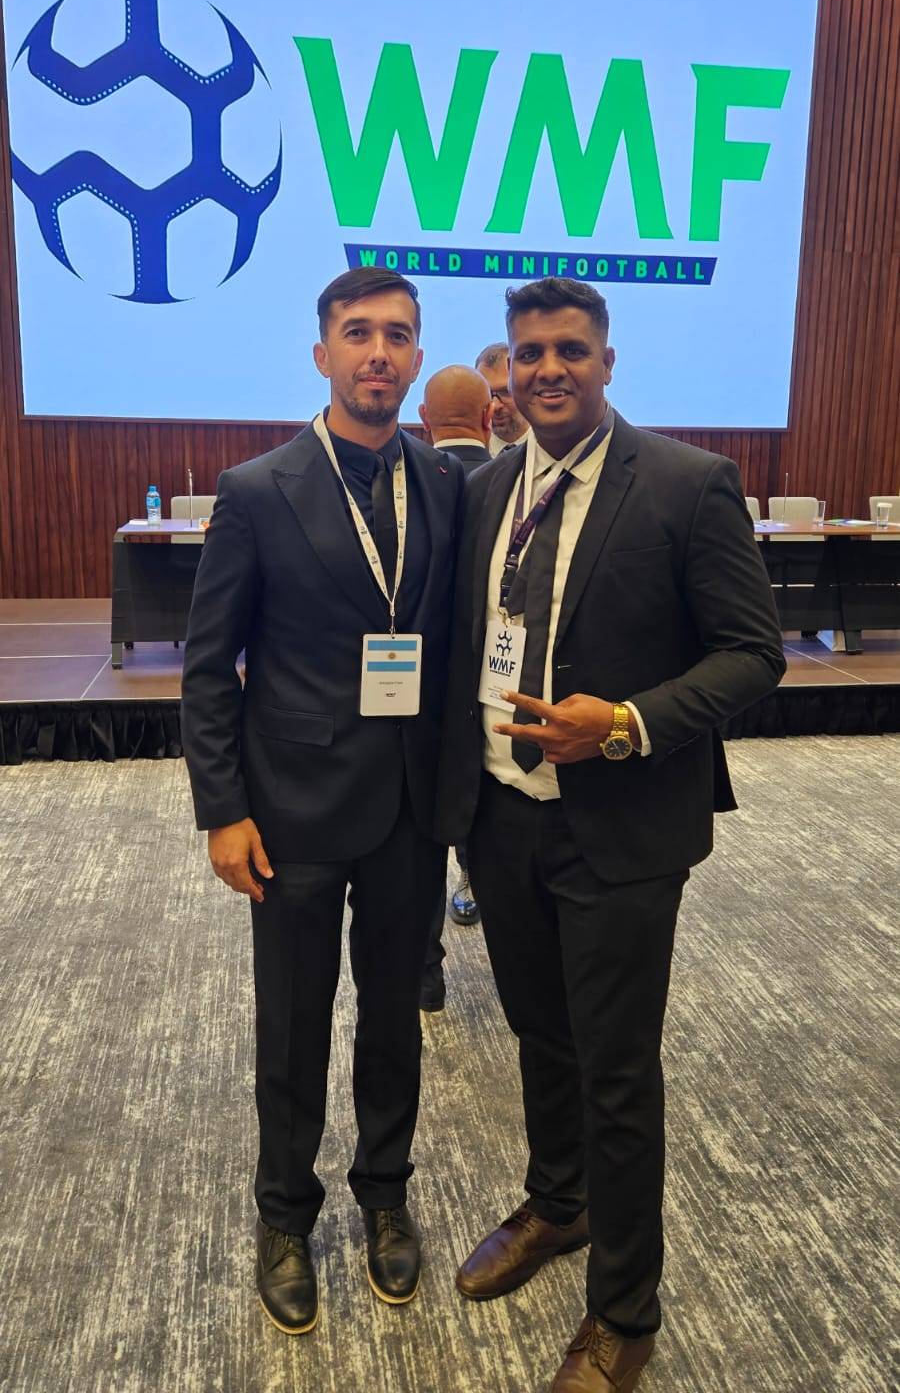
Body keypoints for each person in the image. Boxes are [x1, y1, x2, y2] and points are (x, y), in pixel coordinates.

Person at [437, 277, 785, 1392]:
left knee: (618, 1072)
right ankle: (559, 1203)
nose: (549, 369)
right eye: (530, 352)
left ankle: (625, 1311)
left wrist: (627, 723)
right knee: (540, 1034)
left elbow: (754, 654)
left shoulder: (687, 483)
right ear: (505, 371)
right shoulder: (485, 490)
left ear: (607, 361)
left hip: (623, 830)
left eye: (571, 350)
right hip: (501, 817)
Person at [181, 267, 464, 1336]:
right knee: (293, 1027)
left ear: (416, 354)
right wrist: (223, 810)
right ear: (322, 354)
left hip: (408, 808)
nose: (378, 352)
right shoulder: (258, 489)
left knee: (394, 1019)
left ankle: (386, 1195)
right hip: (290, 809)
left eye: (397, 334)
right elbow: (210, 666)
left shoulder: (446, 483)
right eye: (358, 333)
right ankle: (284, 1217)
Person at [415, 365, 493, 1009]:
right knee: (484, 820)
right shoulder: (516, 483)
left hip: (410, 698)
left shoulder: (404, 483)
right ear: (491, 417)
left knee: (415, 844)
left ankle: (426, 973)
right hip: (491, 694)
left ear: (422, 420)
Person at [475, 341, 530, 456]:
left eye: (506, 392)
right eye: (487, 393)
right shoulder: (469, 455)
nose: (495, 405)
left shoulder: (557, 445)